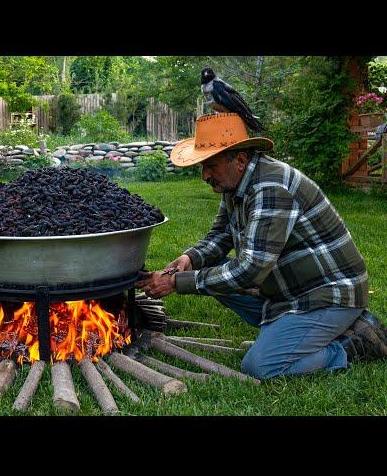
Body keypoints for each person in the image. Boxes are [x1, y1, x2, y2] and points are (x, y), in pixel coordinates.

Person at [136, 112, 387, 380]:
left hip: (327, 293)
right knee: (210, 270)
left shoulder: (271, 187)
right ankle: (296, 333)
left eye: (210, 165)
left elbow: (250, 271)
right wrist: (190, 259)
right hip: (289, 290)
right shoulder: (236, 183)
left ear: (240, 159)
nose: (204, 175)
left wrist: (177, 283)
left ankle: (352, 344)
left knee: (260, 366)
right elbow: (221, 235)